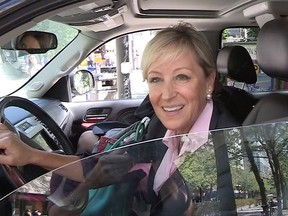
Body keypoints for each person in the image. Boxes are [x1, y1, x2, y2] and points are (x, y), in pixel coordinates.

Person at [0, 22, 239, 215]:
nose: (166, 95)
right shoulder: (161, 128)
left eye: (182, 77)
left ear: (209, 81)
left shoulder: (228, 149)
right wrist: (30, 155)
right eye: (156, 79)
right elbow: (101, 166)